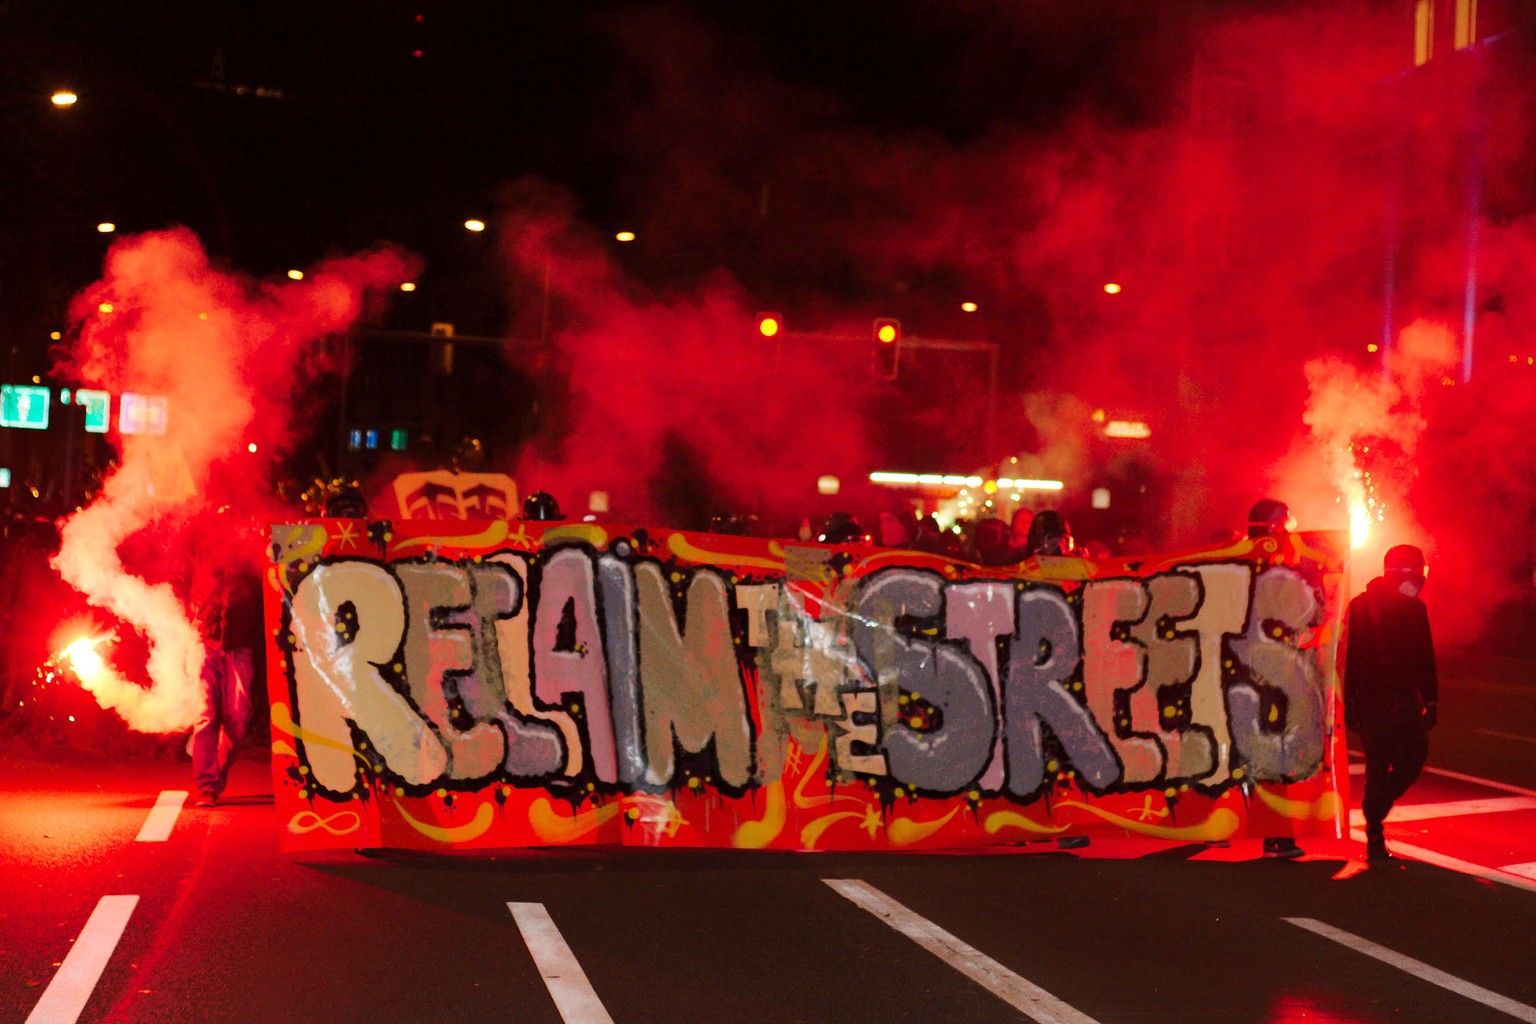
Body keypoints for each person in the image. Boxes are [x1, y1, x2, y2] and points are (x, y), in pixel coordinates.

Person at [1345, 543, 1437, 862]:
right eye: (1417, 571)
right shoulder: (1361, 606)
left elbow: (1425, 657)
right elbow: (1352, 658)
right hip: (1374, 700)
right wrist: (1352, 702)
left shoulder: (1415, 609)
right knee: (1378, 762)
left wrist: (1432, 699)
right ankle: (1374, 831)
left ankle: (1376, 808)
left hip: (1404, 699)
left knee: (1413, 756)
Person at [1246, 498, 1306, 859]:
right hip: (1265, 673)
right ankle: (1275, 835)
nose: (1288, 531)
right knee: (1272, 754)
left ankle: (1217, 824)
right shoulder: (1267, 569)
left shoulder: (1244, 562)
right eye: (1284, 524)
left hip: (1249, 671)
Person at [190, 564, 260, 807]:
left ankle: (216, 770)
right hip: (203, 639)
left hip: (240, 643)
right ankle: (208, 785)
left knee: (239, 716)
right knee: (205, 715)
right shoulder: (200, 538)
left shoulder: (247, 535)